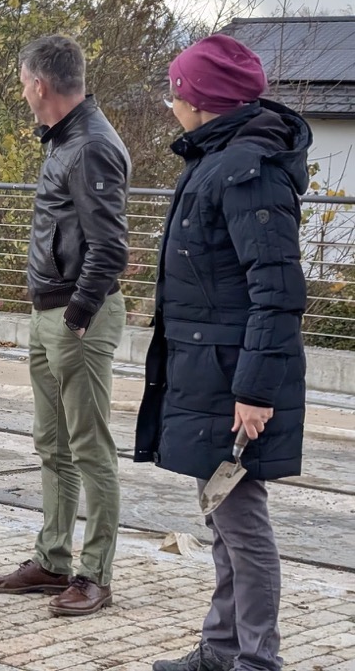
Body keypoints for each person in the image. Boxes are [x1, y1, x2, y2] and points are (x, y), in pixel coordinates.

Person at [137, 35, 309, 671]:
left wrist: (255, 391)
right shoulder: (218, 157)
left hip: (235, 378)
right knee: (221, 517)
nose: (171, 103)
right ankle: (222, 648)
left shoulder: (247, 170)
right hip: (208, 370)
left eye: (175, 92)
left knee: (241, 523)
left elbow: (278, 290)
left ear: (199, 99)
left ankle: (257, 660)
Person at [0, 35, 130, 616]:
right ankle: (52, 560)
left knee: (89, 447)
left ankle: (95, 574)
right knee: (53, 445)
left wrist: (78, 312)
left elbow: (110, 245)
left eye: (23, 84)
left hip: (76, 317)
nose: (23, 94)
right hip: (51, 311)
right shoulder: (66, 140)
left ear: (39, 84)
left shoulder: (89, 145)